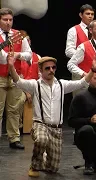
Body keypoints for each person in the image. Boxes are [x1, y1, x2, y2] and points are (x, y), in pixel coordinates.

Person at [7, 54, 96, 177]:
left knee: (53, 169)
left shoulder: (61, 85)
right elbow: (17, 80)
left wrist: (93, 70)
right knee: (42, 139)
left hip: (56, 129)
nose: (51, 70)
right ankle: (35, 165)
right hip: (40, 125)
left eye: (53, 67)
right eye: (47, 68)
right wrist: (10, 66)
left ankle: (46, 159)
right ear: (40, 70)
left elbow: (82, 82)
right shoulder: (35, 85)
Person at [0, 8, 32, 149]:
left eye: (10, 20)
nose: (8, 23)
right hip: (0, 76)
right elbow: (2, 59)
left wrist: (17, 55)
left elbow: (29, 54)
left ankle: (14, 138)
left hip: (15, 76)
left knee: (14, 110)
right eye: (5, 20)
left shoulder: (18, 35)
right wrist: (7, 56)